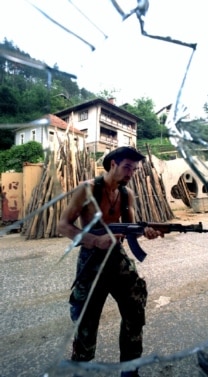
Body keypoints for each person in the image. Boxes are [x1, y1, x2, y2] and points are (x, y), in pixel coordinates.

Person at [58, 146, 163, 377]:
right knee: (86, 325)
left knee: (135, 312)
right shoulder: (87, 190)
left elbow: (131, 229)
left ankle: (129, 369)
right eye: (127, 167)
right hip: (92, 261)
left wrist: (147, 231)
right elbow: (63, 225)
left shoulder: (127, 194)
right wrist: (95, 241)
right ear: (112, 164)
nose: (130, 173)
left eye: (134, 169)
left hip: (118, 259)